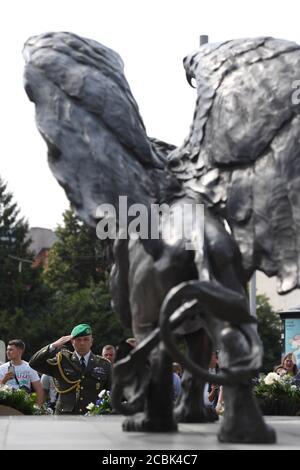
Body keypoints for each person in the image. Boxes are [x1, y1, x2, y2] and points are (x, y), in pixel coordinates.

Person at [29, 324, 112, 415]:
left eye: (86, 339)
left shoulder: (104, 364)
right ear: (72, 342)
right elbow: (34, 363)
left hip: (92, 415)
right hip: (65, 416)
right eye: (78, 339)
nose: (82, 343)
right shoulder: (62, 360)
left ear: (91, 341)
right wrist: (53, 346)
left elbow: (111, 392)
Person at [0, 339, 43, 406]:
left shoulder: (29, 367)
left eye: (11, 350)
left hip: (23, 406)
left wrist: (37, 408)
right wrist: (5, 379)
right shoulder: (2, 368)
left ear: (20, 351)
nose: (7, 352)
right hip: (7, 405)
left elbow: (39, 389)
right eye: (7, 349)